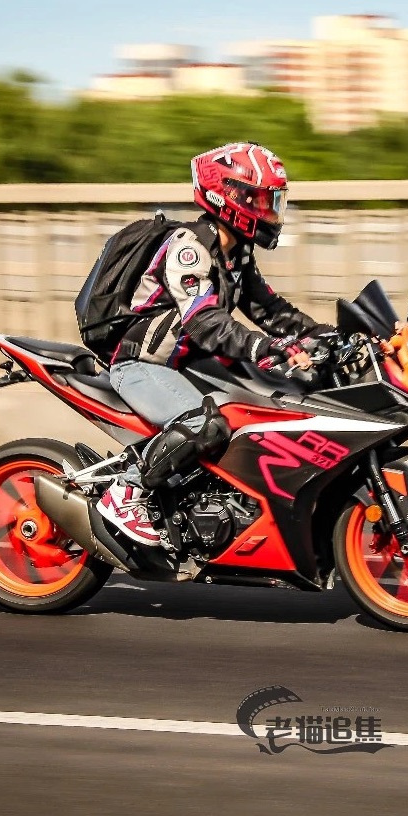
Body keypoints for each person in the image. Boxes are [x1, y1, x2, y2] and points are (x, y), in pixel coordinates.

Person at [96, 142, 334, 547]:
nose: (269, 211)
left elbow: (271, 310)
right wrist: (264, 347)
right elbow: (205, 322)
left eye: (273, 201)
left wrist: (328, 335)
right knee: (202, 424)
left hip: (189, 364)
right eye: (260, 200)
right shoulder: (189, 249)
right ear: (228, 197)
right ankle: (127, 493)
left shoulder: (236, 253)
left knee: (272, 406)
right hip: (142, 364)